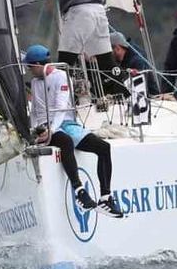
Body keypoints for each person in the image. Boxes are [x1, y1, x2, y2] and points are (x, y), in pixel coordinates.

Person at [23, 44, 124, 218]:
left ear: (39, 65)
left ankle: (105, 197)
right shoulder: (35, 82)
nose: (29, 70)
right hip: (46, 126)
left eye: (30, 66)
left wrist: (52, 130)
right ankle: (79, 191)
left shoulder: (61, 77)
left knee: (103, 148)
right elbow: (35, 112)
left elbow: (61, 107)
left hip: (64, 123)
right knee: (65, 142)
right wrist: (33, 132)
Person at [109, 31, 158, 95]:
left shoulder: (137, 62)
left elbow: (139, 90)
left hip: (149, 99)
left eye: (110, 50)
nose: (109, 54)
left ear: (118, 48)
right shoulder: (123, 60)